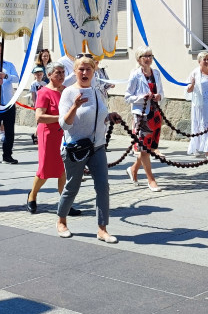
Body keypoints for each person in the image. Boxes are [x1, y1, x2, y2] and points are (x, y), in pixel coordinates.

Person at [56, 56, 121, 243]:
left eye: (88, 70)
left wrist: (110, 116)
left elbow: (99, 115)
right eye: (81, 69)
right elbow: (64, 124)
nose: (84, 73)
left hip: (97, 146)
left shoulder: (98, 91)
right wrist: (75, 107)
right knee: (72, 186)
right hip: (75, 148)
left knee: (103, 187)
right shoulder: (68, 93)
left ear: (94, 71)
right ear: (75, 71)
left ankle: (102, 229)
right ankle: (61, 221)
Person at [27, 62, 81, 215]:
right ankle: (32, 195)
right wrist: (62, 118)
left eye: (63, 72)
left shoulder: (66, 91)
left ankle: (65, 204)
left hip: (64, 135)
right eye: (57, 72)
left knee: (63, 170)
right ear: (49, 75)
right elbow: (39, 117)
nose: (61, 75)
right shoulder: (44, 92)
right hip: (48, 135)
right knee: (44, 170)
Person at [125, 46, 164, 192]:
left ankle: (133, 169)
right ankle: (151, 180)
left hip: (155, 114)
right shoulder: (135, 75)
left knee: (149, 148)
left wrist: (158, 96)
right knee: (144, 148)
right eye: (144, 56)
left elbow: (162, 93)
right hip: (141, 115)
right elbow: (127, 97)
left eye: (150, 56)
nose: (148, 59)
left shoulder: (157, 74)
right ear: (139, 59)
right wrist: (142, 98)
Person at [186, 52, 208, 157]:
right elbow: (188, 90)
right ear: (199, 61)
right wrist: (192, 84)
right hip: (198, 104)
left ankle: (207, 150)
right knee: (197, 125)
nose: (207, 62)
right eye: (204, 60)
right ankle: (196, 147)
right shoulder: (195, 73)